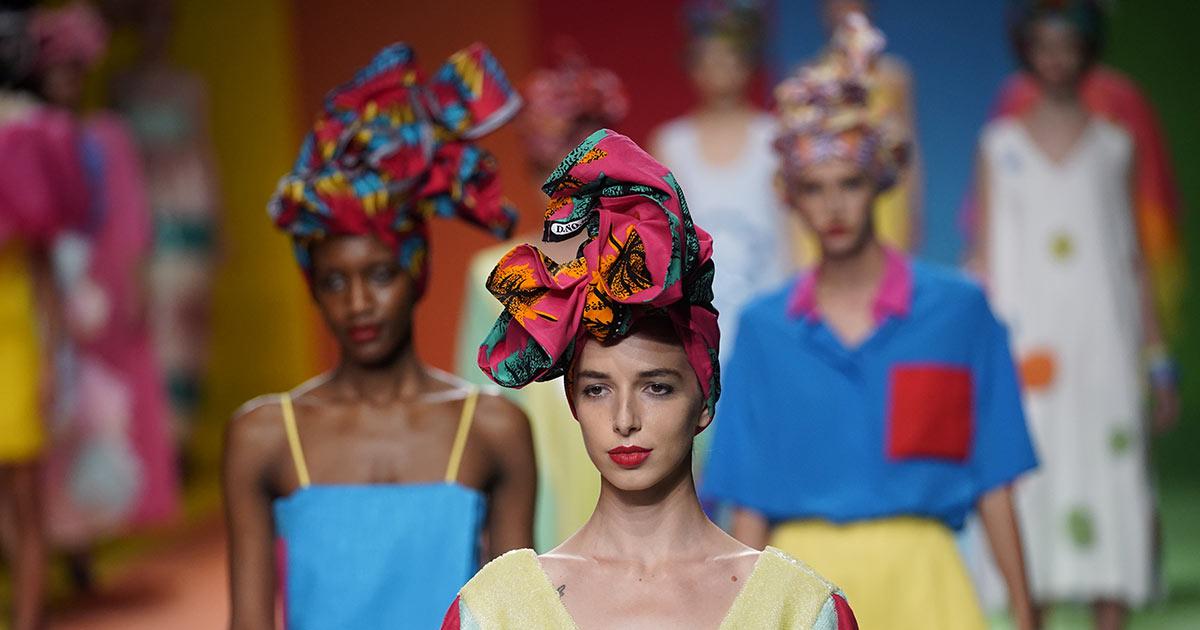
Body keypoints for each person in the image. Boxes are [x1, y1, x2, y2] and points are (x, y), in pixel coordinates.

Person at [701, 14, 1039, 630]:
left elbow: (995, 478)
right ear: (791, 197)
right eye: (813, 187)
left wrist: (1026, 613)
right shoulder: (765, 329)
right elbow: (748, 501)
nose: (833, 206)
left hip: (928, 581)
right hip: (801, 584)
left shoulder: (958, 311)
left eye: (850, 183)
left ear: (880, 183)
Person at [442, 128, 856, 629]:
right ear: (573, 401)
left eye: (656, 387)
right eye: (597, 389)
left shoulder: (799, 609)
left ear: (706, 399)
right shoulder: (495, 610)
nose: (624, 420)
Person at [223, 42, 536, 630]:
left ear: (419, 274)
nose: (359, 303)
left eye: (381, 275)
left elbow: (517, 622)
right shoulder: (263, 435)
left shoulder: (493, 428)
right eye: (334, 281)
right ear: (312, 289)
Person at [971, 3, 1178, 628]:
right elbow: (985, 256)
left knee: (1110, 480)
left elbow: (1132, 257)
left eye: (1068, 44)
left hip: (1104, 345)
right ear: (1026, 50)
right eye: (1044, 44)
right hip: (1028, 347)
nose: (1056, 57)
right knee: (1031, 483)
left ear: (1087, 49)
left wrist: (1158, 358)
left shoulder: (1115, 145)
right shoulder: (1000, 146)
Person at [30, 0, 179, 590]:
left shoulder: (106, 135)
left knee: (103, 413)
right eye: (57, 71)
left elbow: (131, 209)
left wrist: (136, 277)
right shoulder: (29, 133)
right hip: (51, 286)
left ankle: (86, 535)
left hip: (105, 282)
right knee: (55, 408)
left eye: (74, 70)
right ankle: (52, 539)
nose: (67, 82)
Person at [455, 50, 626, 550]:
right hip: (535, 507)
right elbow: (478, 413)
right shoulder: (494, 275)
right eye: (547, 174)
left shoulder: (641, 268)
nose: (564, 198)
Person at [0, 2, 89, 626]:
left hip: (17, 338)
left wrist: (55, 357)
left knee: (26, 497)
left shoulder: (28, 133)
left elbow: (42, 264)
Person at [650, 0, 790, 359]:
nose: (720, 67)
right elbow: (663, 240)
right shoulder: (671, 143)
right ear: (691, 65)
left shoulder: (776, 137)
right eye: (709, 57)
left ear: (750, 62)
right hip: (696, 323)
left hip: (771, 315)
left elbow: (795, 229)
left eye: (730, 55)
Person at [112, 0, 222, 449]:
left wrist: (218, 223)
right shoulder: (122, 87)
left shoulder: (189, 85)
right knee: (154, 329)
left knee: (188, 328)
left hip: (190, 218)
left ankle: (182, 434)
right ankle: (158, 436)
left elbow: (201, 150)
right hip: (146, 222)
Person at [809, 0, 922, 254]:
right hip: (829, 196)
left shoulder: (894, 76)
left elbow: (908, 148)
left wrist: (914, 211)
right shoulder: (810, 77)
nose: (845, 12)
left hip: (885, 198)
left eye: (854, 4)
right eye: (836, 5)